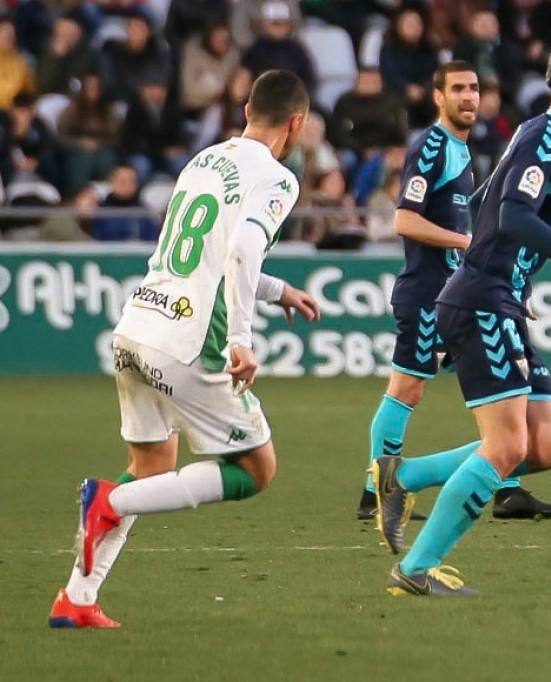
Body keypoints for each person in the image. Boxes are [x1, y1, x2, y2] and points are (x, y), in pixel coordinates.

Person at [47, 70, 322, 629]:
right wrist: (241, 340)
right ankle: (108, 503)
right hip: (189, 342)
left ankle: (77, 598)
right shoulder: (277, 176)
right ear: (297, 124)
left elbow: (209, 253)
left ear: (246, 107)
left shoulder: (205, 159)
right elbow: (244, 248)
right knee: (255, 468)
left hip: (138, 325)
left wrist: (275, 289)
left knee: (150, 468)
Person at [373, 37, 551, 596]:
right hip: (481, 302)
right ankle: (415, 570)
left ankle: (403, 477)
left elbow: (490, 208)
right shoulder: (545, 138)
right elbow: (513, 215)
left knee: (550, 446)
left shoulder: (543, 139)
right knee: (507, 447)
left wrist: (513, 281)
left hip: (497, 298)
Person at [358, 61, 551, 523]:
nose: (468, 97)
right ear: (438, 97)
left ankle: (507, 489)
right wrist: (464, 242)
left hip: (463, 293)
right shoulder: (432, 146)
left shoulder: (462, 154)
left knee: (502, 388)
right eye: (458, 89)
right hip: (428, 293)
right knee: (406, 390)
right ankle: (376, 491)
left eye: (474, 89)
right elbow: (403, 220)